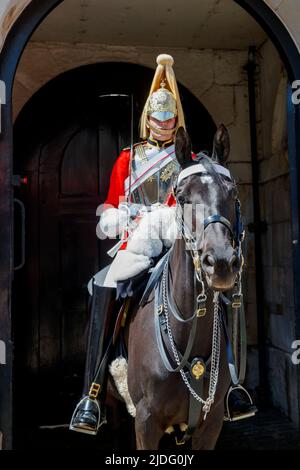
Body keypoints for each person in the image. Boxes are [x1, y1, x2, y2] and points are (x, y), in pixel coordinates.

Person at [69, 54, 256, 436]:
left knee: (222, 292)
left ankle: (233, 384)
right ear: (148, 119)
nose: (164, 125)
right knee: (104, 287)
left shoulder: (188, 161)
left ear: (177, 122)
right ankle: (92, 393)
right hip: (137, 243)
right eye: (158, 119)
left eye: (170, 120)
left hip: (176, 240)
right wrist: (128, 217)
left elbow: (195, 207)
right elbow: (111, 204)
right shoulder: (129, 158)